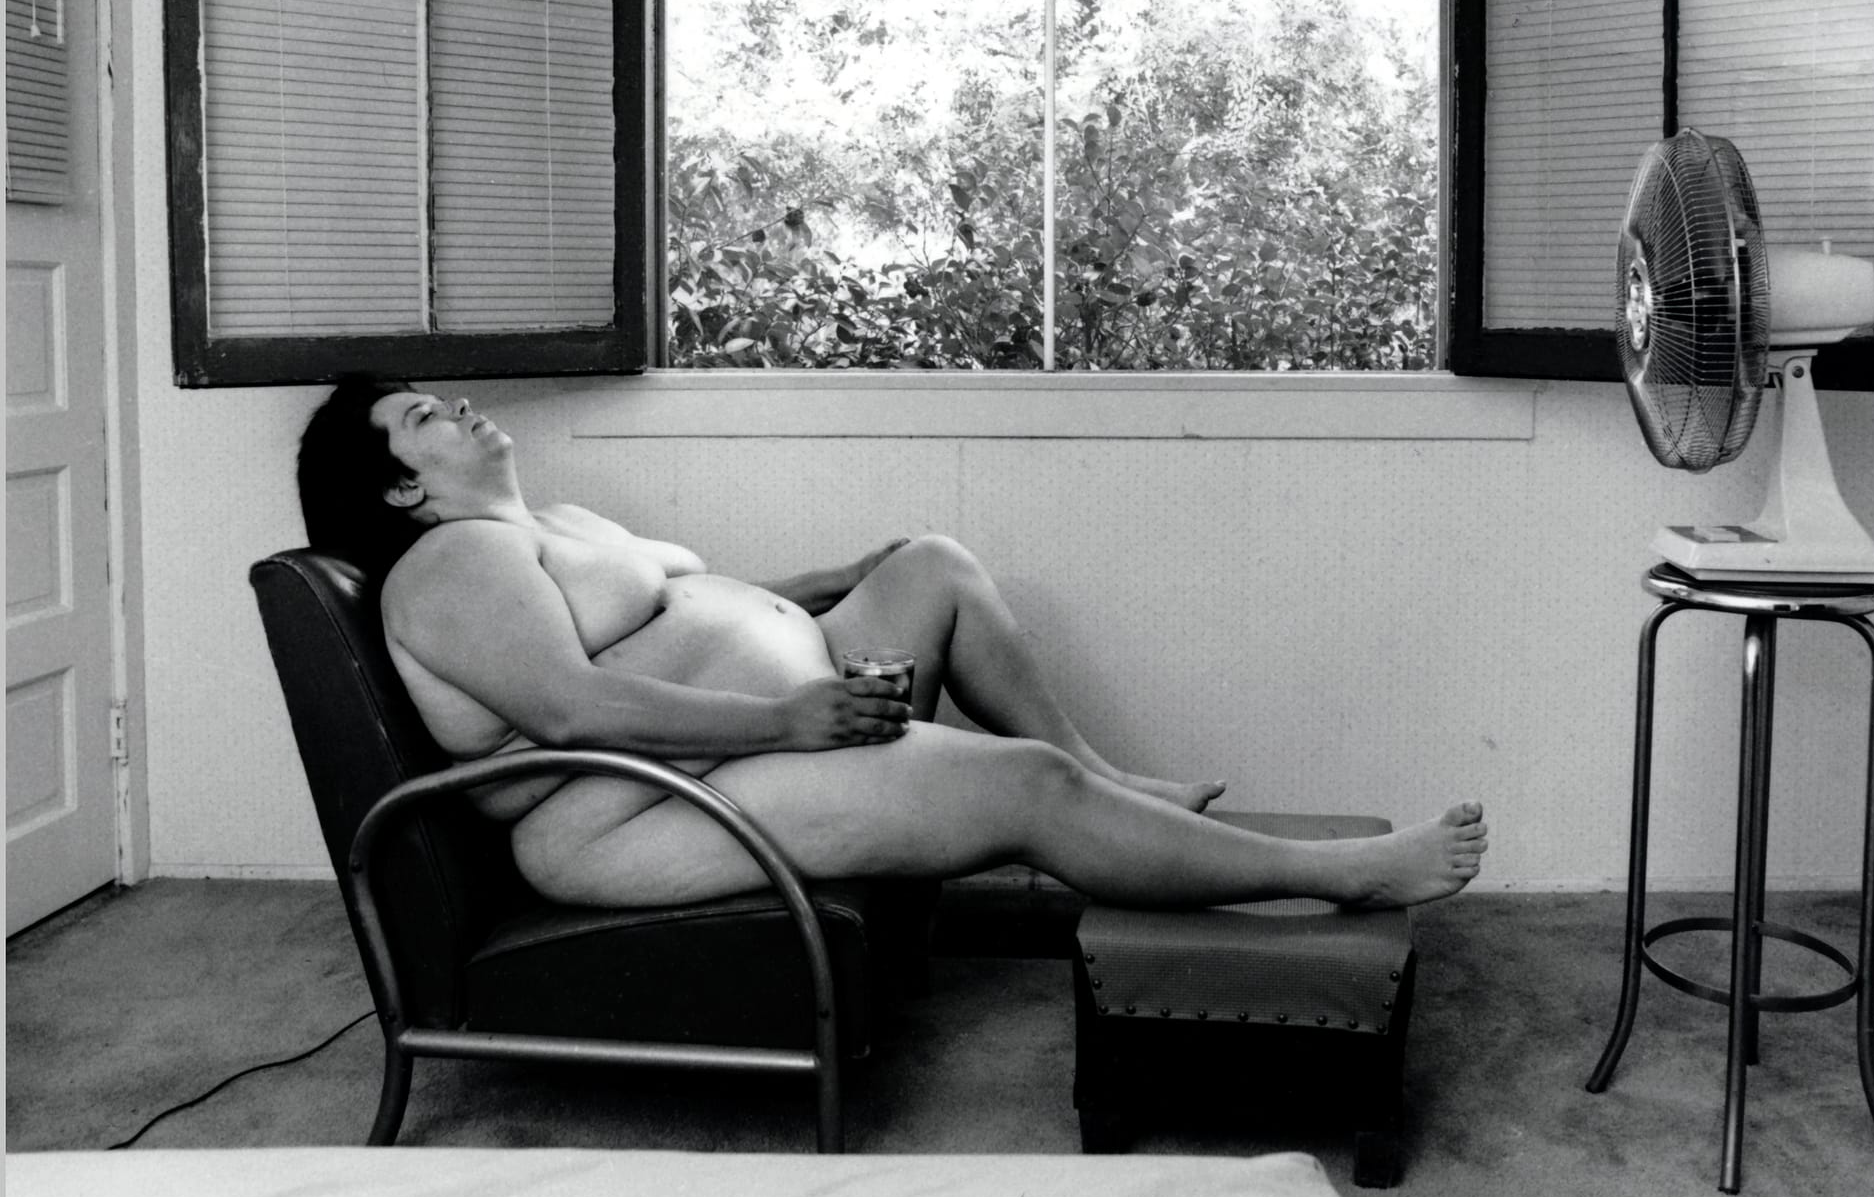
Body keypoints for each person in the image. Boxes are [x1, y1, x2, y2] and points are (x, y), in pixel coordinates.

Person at [296, 375, 1487, 911]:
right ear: (402, 488)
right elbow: (568, 709)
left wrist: (809, 589)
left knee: (931, 565)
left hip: (747, 735)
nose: (457, 406)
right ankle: (1338, 877)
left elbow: (663, 614)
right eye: (423, 417)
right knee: (1024, 788)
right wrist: (783, 716)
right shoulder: (452, 563)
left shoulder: (552, 524)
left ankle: (1112, 783)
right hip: (642, 810)